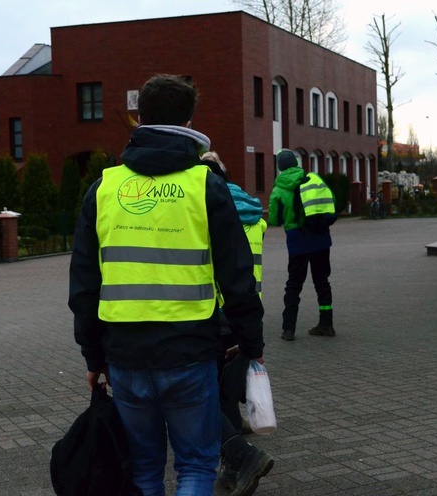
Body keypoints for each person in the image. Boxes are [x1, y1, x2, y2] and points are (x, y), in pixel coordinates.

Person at [69, 74, 265, 496]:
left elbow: (84, 282)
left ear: (139, 117)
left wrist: (92, 355)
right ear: (191, 122)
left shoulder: (103, 188)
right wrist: (251, 344)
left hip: (123, 355)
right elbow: (238, 275)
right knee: (196, 466)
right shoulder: (206, 186)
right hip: (190, 352)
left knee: (143, 469)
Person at [200, 151, 274, 495]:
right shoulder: (252, 212)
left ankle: (235, 461)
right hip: (246, 311)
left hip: (214, 311)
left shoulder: (210, 211)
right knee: (225, 393)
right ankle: (231, 469)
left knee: (206, 395)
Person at [268, 149, 337, 341]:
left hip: (297, 241)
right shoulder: (312, 179)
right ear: (296, 163)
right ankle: (327, 324)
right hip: (321, 239)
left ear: (280, 167)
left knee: (293, 285)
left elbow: (274, 219)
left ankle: (288, 329)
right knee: (322, 282)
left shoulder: (278, 189)